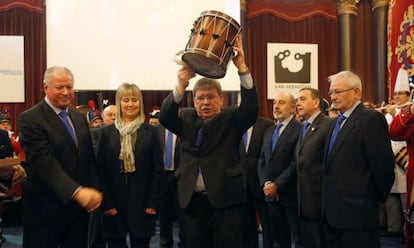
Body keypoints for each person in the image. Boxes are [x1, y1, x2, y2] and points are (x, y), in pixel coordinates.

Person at [159, 35, 258, 248]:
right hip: (191, 203)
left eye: (211, 97)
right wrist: (180, 86)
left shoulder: (231, 119)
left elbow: (250, 110)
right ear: (193, 101)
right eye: (200, 98)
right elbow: (165, 117)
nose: (205, 102)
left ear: (220, 99)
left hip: (226, 203)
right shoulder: (185, 118)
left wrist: (242, 68)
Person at [17, 66, 103, 248]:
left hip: (77, 214)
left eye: (69, 87)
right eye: (59, 87)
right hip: (44, 212)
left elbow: (87, 159)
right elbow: (45, 164)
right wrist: (78, 192)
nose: (65, 92)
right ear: (45, 87)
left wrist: (95, 190)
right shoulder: (30, 118)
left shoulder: (79, 118)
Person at [322, 70, 394, 247]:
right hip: (332, 214)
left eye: (338, 91)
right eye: (331, 92)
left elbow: (382, 166)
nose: (333, 97)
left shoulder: (370, 119)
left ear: (356, 92)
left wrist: (369, 201)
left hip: (358, 215)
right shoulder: (335, 123)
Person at [97, 83, 164, 248]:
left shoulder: (151, 131)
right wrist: (106, 203)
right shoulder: (106, 133)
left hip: (143, 204)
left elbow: (158, 170)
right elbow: (101, 170)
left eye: (134, 100)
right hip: (114, 204)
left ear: (140, 103)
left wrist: (152, 202)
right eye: (125, 100)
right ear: (119, 103)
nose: (130, 104)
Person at [277, 87, 332, 248]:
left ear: (316, 102)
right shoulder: (305, 127)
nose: (297, 103)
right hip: (304, 201)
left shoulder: (328, 124)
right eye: (297, 100)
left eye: (302, 99)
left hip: (320, 202)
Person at [257, 91, 302, 248]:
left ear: (292, 108)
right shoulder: (269, 131)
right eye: (275, 102)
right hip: (271, 196)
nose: (276, 106)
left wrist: (277, 185)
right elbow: (262, 160)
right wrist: (267, 183)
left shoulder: (300, 130)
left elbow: (296, 162)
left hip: (291, 195)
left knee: (299, 239)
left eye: (281, 102)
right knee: (278, 240)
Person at [237, 92, 274, 248]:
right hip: (238, 183)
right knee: (245, 225)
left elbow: (268, 155)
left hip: (259, 183)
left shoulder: (267, 125)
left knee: (268, 225)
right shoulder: (232, 124)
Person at [382, 68, 410, 238]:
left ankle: (408, 231)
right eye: (395, 94)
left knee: (405, 198)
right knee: (391, 197)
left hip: (405, 159)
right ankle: (393, 228)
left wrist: (397, 114)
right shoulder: (387, 114)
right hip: (390, 160)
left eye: (400, 93)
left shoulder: (409, 112)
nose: (397, 97)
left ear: (408, 95)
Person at [88, 104, 116, 248]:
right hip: (100, 188)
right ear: (103, 117)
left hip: (119, 191)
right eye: (110, 115)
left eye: (116, 115)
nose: (114, 117)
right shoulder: (95, 133)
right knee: (97, 233)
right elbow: (96, 159)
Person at [157, 123, 184, 248]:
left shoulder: (183, 127)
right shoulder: (157, 130)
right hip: (161, 177)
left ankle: (183, 241)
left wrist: (178, 173)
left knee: (182, 213)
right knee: (164, 212)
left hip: (180, 176)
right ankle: (165, 242)